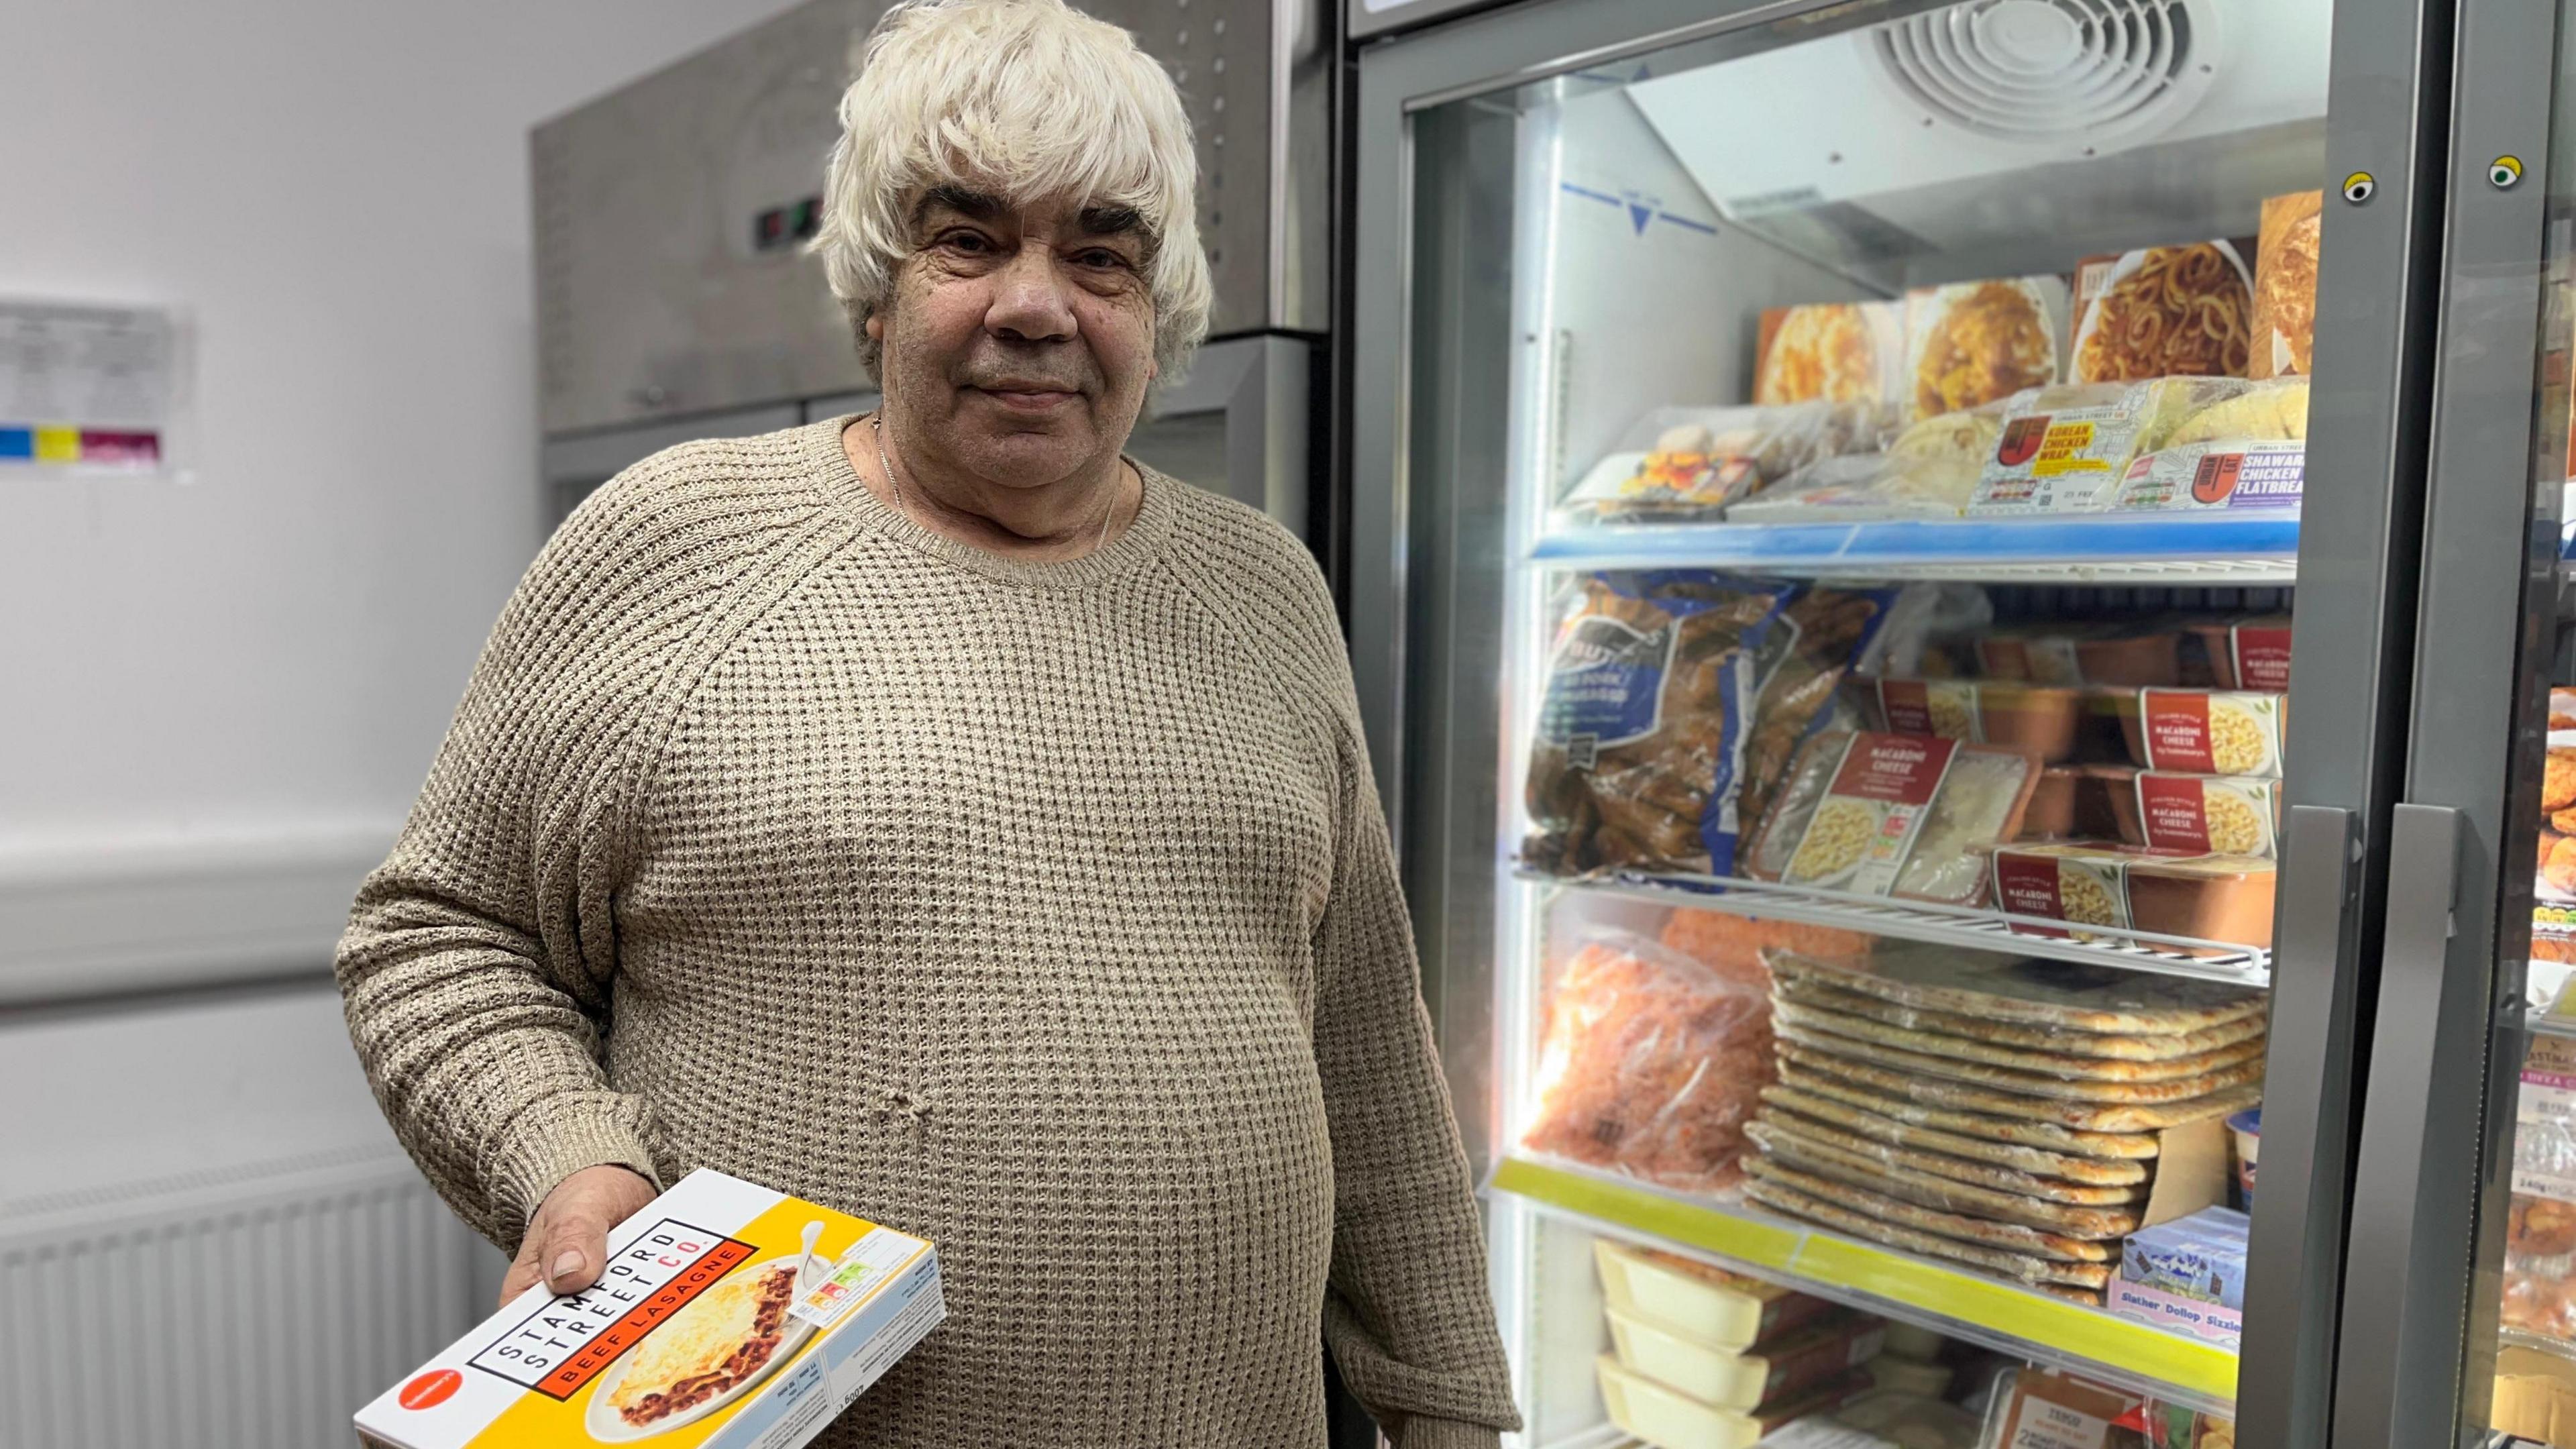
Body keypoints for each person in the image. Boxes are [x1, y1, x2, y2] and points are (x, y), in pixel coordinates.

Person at [331, 1, 1519, 1444]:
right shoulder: (675, 544)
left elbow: (1368, 1047)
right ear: (877, 288)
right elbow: (441, 937)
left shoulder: (1265, 586)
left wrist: (1450, 1400)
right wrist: (574, 1158)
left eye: (1099, 252)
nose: (1037, 304)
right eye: (969, 240)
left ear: (1160, 306)